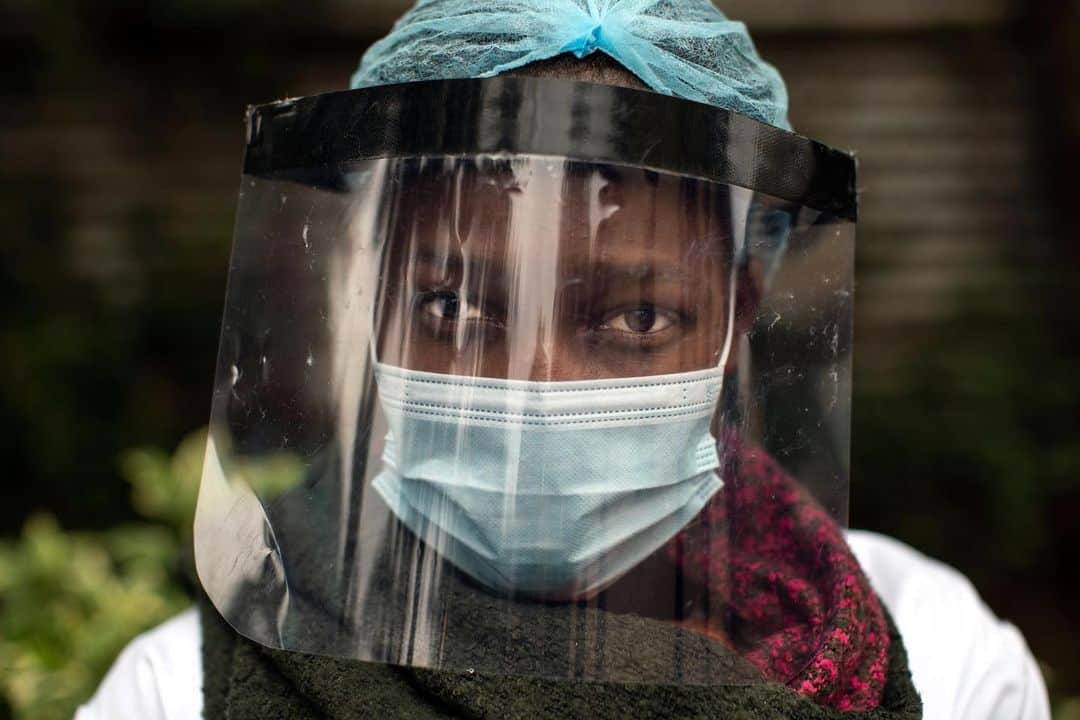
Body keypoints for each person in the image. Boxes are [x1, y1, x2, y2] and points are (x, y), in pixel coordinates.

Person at [77, 1, 1050, 718]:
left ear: (736, 315)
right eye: (452, 305)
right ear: (372, 303)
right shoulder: (180, 695)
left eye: (635, 318)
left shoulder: (938, 652)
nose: (535, 387)